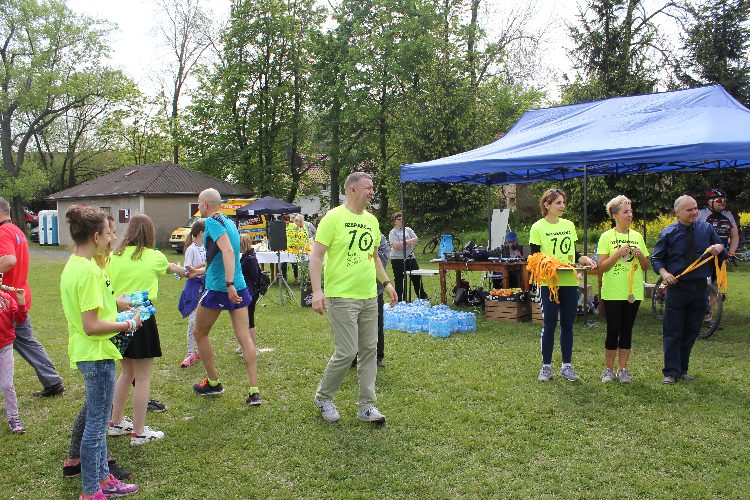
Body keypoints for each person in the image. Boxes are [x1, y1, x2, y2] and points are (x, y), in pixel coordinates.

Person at [60, 205, 140, 499]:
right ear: (96, 236)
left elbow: (92, 309)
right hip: (96, 354)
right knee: (96, 426)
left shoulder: (74, 265)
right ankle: (91, 490)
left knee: (97, 418)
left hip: (88, 352)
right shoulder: (90, 272)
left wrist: (116, 305)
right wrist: (128, 324)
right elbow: (92, 325)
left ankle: (104, 479)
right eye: (108, 233)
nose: (112, 238)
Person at [310, 172, 398, 424]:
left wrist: (386, 283)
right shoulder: (333, 218)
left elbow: (374, 257)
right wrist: (317, 291)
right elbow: (316, 256)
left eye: (372, 187)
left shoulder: (371, 221)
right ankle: (323, 398)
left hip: (369, 295)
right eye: (368, 187)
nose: (372, 191)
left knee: (369, 351)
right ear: (352, 190)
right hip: (341, 296)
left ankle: (366, 406)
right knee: (347, 351)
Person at [107, 214, 187, 445]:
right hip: (142, 319)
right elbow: (171, 268)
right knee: (142, 377)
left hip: (118, 319)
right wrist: (188, 271)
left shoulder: (113, 256)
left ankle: (116, 421)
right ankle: (139, 431)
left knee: (126, 372)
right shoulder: (154, 256)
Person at [188, 188, 261, 405]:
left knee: (199, 333)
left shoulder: (211, 222)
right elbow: (220, 257)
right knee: (245, 337)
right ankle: (254, 391)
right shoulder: (229, 223)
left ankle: (213, 383)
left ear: (205, 204)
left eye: (198, 203)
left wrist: (228, 284)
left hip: (221, 288)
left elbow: (228, 252)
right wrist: (198, 272)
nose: (198, 207)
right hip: (240, 286)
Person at [651, 195, 725, 385]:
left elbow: (722, 250)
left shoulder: (706, 229)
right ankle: (670, 372)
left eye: (695, 208)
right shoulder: (668, 233)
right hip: (677, 287)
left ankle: (683, 369)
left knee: (692, 330)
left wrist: (718, 247)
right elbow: (656, 258)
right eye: (689, 209)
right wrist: (665, 273)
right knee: (673, 331)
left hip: (700, 287)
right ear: (677, 213)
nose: (694, 212)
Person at [529, 188, 596, 383]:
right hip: (548, 284)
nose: (562, 206)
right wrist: (549, 265)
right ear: (547, 205)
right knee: (549, 324)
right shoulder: (537, 227)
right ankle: (546, 367)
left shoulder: (569, 225)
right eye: (558, 203)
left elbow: (573, 254)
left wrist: (583, 259)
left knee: (568, 325)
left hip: (569, 282)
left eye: (563, 202)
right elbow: (535, 258)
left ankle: (567, 366)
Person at [0, 197, 64, 397]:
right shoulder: (17, 231)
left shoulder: (3, 232)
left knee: (24, 342)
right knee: (27, 342)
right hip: (19, 297)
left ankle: (53, 381)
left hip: (7, 302)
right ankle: (53, 381)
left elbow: (9, 260)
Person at [596, 196, 650, 384]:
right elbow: (601, 267)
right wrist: (618, 253)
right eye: (626, 211)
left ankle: (623, 369)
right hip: (612, 292)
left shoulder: (637, 236)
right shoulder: (606, 237)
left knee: (627, 330)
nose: (630, 214)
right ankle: (608, 370)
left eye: (631, 211)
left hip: (633, 292)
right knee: (613, 330)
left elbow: (646, 266)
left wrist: (640, 254)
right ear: (615, 215)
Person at [0, 276, 28, 434]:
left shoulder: (7, 299)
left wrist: (21, 302)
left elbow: (20, 319)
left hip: (4, 346)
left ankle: (13, 417)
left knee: (7, 385)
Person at [178, 220, 206, 368]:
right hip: (193, 289)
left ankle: (199, 351)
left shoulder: (205, 247)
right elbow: (186, 271)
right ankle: (190, 353)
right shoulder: (191, 249)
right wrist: (201, 266)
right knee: (192, 322)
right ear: (201, 233)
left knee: (202, 321)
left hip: (205, 288)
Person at [388, 212, 427, 301]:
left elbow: (416, 240)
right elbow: (396, 246)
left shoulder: (408, 230)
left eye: (402, 219)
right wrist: (409, 243)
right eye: (399, 219)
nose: (401, 221)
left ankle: (422, 297)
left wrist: (404, 243)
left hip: (410, 257)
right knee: (399, 279)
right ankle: (400, 300)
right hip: (397, 259)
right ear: (394, 221)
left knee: (417, 277)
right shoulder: (392, 232)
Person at [697, 188, 739, 257]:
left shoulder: (728, 215)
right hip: (704, 256)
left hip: (723, 255)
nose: (723, 202)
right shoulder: (700, 214)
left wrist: (731, 253)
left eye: (725, 200)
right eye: (719, 200)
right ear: (709, 202)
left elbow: (734, 236)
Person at [239, 233, 262, 356]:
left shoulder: (249, 259)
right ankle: (244, 345)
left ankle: (252, 348)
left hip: (251, 292)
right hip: (247, 290)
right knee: (243, 320)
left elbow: (254, 276)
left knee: (249, 320)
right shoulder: (246, 257)